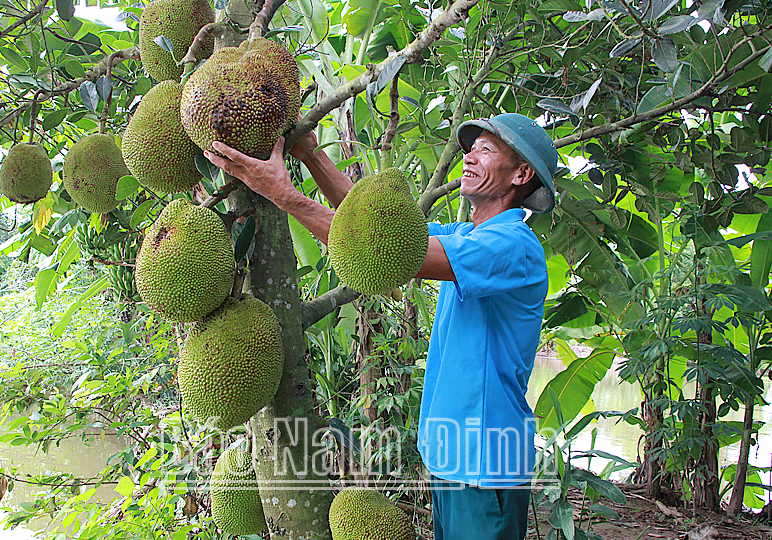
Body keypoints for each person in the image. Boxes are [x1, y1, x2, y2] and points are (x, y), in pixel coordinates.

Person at [205, 112, 559, 540]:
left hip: (485, 461)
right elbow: (372, 226)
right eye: (469, 147)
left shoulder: (511, 246)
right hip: (452, 457)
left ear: (521, 173)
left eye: (486, 149)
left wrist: (284, 195)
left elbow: (386, 250)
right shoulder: (465, 235)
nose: (469, 157)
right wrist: (311, 154)